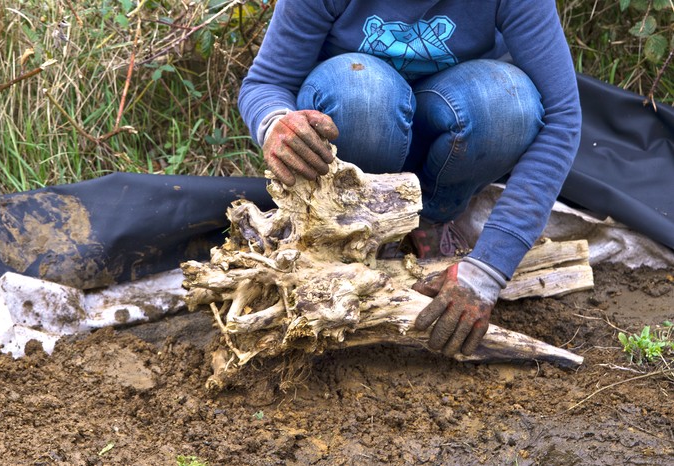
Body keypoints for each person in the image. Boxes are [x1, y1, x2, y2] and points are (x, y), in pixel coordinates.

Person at [238, 1, 581, 358]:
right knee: (363, 92)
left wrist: (490, 268)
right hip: (357, 126)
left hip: (450, 129)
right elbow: (267, 82)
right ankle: (361, 231)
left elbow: (563, 117)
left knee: (509, 103)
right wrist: (275, 123)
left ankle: (433, 219)